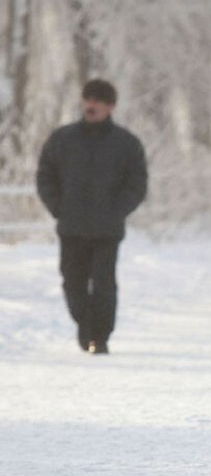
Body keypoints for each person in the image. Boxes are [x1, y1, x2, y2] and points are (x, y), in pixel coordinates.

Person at [36, 79, 148, 355]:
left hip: (107, 229)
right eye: (88, 99)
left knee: (103, 283)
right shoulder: (63, 139)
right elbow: (45, 175)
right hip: (71, 225)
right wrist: (58, 207)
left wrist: (118, 209)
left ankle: (101, 336)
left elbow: (137, 182)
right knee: (72, 282)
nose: (92, 105)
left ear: (110, 107)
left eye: (98, 100)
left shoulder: (126, 143)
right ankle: (85, 326)